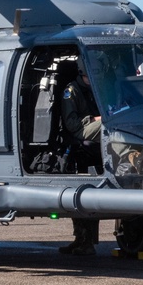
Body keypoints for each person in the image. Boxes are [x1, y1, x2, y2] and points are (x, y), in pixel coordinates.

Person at [59, 58, 102, 256]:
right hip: (80, 132)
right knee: (110, 124)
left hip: (89, 134)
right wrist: (96, 119)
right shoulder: (71, 91)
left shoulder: (92, 87)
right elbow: (72, 124)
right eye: (88, 77)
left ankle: (84, 240)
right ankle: (83, 240)